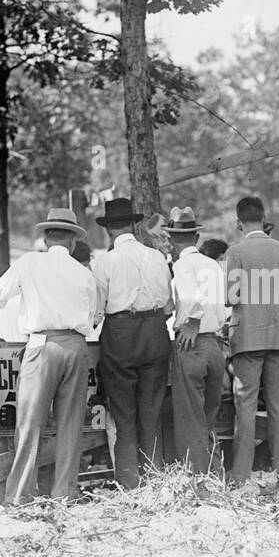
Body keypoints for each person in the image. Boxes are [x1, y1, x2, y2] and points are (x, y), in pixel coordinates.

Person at [0, 208, 99, 502]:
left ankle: (20, 496)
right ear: (71, 241)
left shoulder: (29, 262)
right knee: (70, 425)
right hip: (77, 346)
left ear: (45, 237)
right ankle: (64, 493)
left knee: (30, 423)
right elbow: (92, 318)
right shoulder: (83, 273)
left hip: (41, 345)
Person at [91, 197, 173, 489]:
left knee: (124, 414)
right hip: (154, 331)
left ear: (110, 229)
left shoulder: (105, 262)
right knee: (151, 411)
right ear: (135, 224)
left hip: (121, 334)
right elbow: (168, 306)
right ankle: (155, 479)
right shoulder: (156, 257)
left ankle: (130, 484)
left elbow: (97, 311)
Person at [225, 195, 279, 484]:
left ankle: (242, 475)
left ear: (238, 222)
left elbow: (231, 298)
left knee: (246, 405)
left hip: (248, 338)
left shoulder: (236, 252)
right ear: (263, 218)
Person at [165, 206, 228, 474]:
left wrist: (191, 322)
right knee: (208, 417)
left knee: (190, 418)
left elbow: (191, 298)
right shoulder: (211, 264)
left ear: (170, 240)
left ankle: (196, 478)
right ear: (197, 238)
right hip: (214, 345)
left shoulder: (181, 265)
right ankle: (214, 472)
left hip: (192, 344)